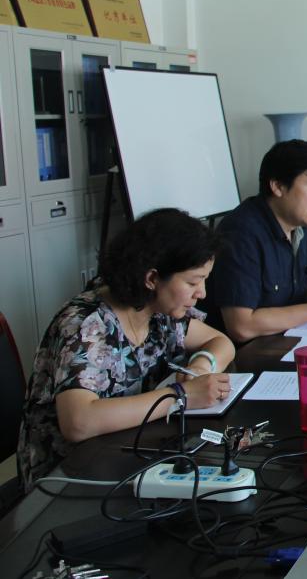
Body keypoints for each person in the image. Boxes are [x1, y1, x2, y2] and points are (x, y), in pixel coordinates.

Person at [17, 209, 236, 489]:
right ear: (152, 278)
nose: (202, 293)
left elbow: (221, 342)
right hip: (67, 478)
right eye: (193, 282)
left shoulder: (159, 311)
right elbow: (79, 422)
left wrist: (201, 365)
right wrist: (180, 395)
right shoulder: (86, 323)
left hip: (130, 452)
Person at [204, 140, 307, 343]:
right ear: (278, 186)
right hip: (247, 354)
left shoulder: (302, 223)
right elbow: (242, 326)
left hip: (290, 338)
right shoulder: (240, 232)